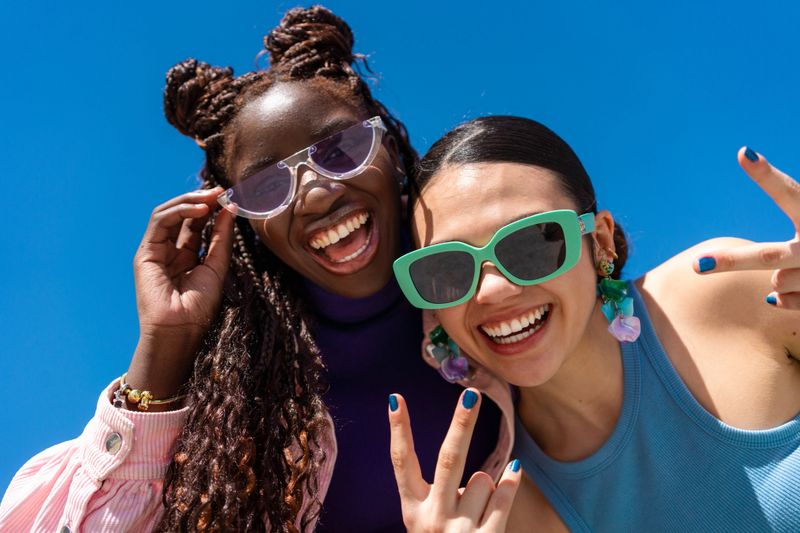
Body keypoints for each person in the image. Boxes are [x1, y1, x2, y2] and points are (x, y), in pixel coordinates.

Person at [0, 7, 502, 532]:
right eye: (267, 187)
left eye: (342, 149)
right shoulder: (235, 387)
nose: (316, 193)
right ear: (242, 223)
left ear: (391, 150)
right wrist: (165, 344)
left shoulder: (498, 278)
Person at [388, 115, 800, 531]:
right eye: (447, 269)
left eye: (532, 242)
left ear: (599, 241)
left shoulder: (723, 293)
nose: (492, 290)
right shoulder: (513, 508)